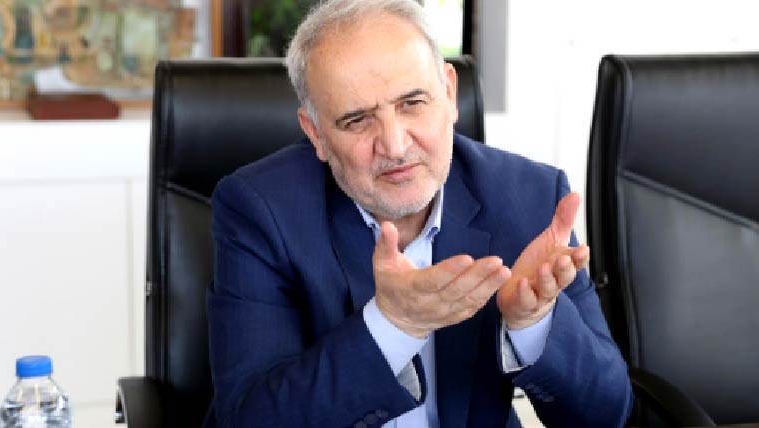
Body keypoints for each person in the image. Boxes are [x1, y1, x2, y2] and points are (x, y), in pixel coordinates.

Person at [207, 0, 633, 427]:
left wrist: (533, 324)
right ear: (315, 133)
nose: (394, 146)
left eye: (412, 103)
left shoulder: (530, 197)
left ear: (449, 93)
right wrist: (393, 325)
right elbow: (249, 419)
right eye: (357, 120)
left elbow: (608, 415)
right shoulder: (261, 210)